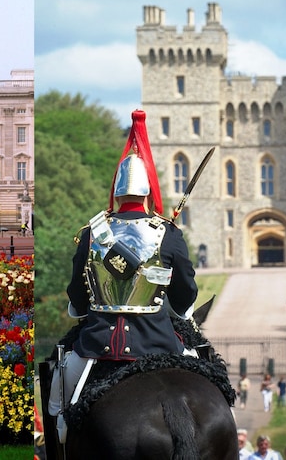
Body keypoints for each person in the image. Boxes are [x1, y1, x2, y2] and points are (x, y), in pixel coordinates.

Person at [47, 110, 198, 443]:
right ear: (147, 194)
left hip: (96, 343)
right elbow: (186, 292)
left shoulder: (92, 233)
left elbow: (77, 291)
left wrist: (84, 308)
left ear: (115, 192)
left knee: (57, 405)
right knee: (211, 382)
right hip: (159, 340)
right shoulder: (167, 233)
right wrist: (177, 307)